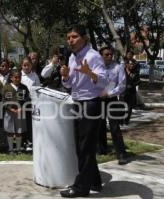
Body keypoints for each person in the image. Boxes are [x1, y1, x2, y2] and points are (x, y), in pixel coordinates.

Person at [59, 25, 108, 197]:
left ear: (84, 38)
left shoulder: (93, 56)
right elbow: (69, 84)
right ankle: (94, 181)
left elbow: (104, 81)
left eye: (73, 37)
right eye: (68, 37)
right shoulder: (73, 58)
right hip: (77, 102)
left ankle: (81, 187)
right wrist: (65, 76)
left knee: (85, 148)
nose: (70, 40)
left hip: (91, 104)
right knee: (81, 146)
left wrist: (90, 73)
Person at [98, 47, 128, 165]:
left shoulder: (118, 68)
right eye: (106, 54)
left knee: (114, 127)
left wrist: (109, 93)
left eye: (111, 54)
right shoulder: (97, 67)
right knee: (99, 125)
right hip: (99, 99)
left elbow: (122, 85)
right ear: (101, 56)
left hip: (111, 100)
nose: (109, 56)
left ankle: (121, 154)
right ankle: (101, 149)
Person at [2, 69, 30, 154]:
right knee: (10, 131)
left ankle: (18, 149)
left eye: (19, 77)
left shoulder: (24, 87)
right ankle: (11, 149)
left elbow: (27, 99)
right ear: (11, 78)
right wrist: (10, 108)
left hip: (20, 112)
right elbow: (3, 100)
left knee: (19, 131)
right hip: (9, 112)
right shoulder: (6, 87)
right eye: (16, 77)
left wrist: (21, 108)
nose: (18, 79)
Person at [20, 57, 40, 151]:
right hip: (20, 103)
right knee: (21, 123)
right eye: (24, 65)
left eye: (28, 65)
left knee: (29, 123)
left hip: (31, 103)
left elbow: (38, 89)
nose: (26, 67)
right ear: (21, 66)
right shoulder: (19, 75)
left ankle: (30, 141)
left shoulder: (35, 76)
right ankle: (21, 142)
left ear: (31, 66)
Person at [121, 59, 140, 125]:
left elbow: (138, 81)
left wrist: (132, 85)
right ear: (127, 64)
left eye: (133, 64)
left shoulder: (135, 72)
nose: (132, 65)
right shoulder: (122, 72)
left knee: (129, 108)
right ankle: (121, 121)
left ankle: (126, 121)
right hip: (123, 92)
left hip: (132, 93)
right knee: (122, 107)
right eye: (131, 64)